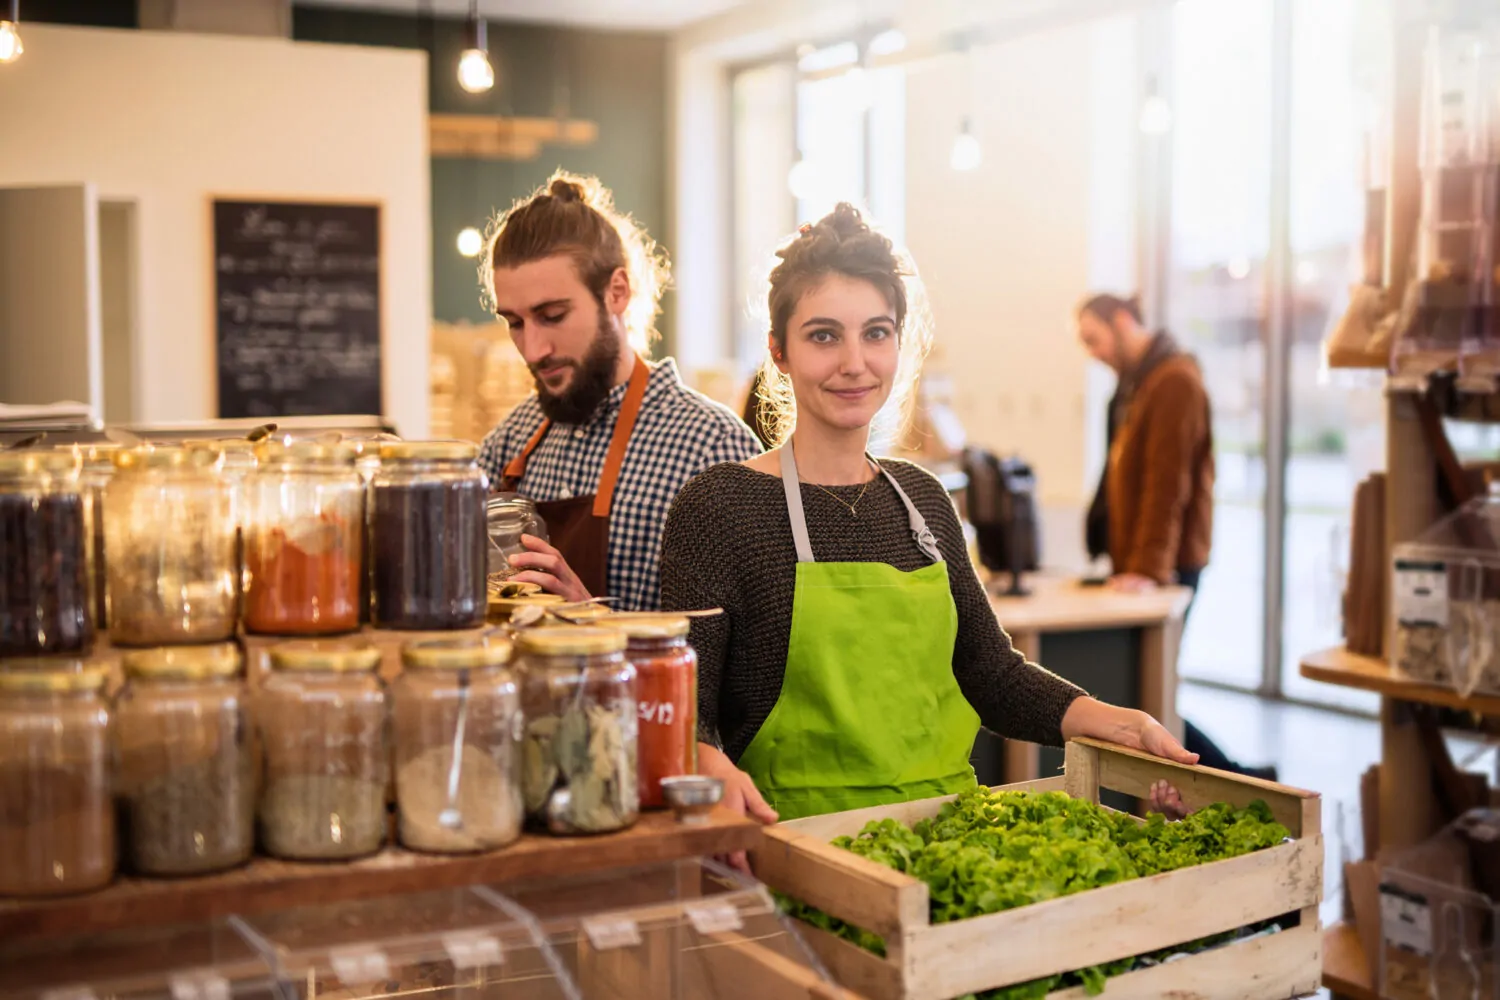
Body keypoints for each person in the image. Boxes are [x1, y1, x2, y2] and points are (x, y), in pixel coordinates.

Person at [660, 204, 1195, 836]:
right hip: (795, 850)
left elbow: (990, 673)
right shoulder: (719, 507)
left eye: (877, 333)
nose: (855, 362)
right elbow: (684, 714)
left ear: (899, 342)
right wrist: (707, 763)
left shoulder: (922, 500)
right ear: (779, 351)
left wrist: (1112, 718)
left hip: (944, 837)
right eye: (824, 335)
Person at [477, 172, 761, 612]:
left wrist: (591, 621)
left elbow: (743, 654)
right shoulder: (509, 444)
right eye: (515, 323)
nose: (533, 349)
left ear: (617, 292)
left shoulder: (713, 448)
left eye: (552, 315)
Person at [1076, 292, 1276, 782]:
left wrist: (1146, 569)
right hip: (1149, 564)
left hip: (1166, 566)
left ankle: (1237, 780)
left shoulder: (1173, 383)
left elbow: (1169, 486)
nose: (1092, 353)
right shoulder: (1141, 383)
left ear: (1122, 322)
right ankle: (1241, 775)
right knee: (1150, 689)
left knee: (1152, 691)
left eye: (1093, 339)